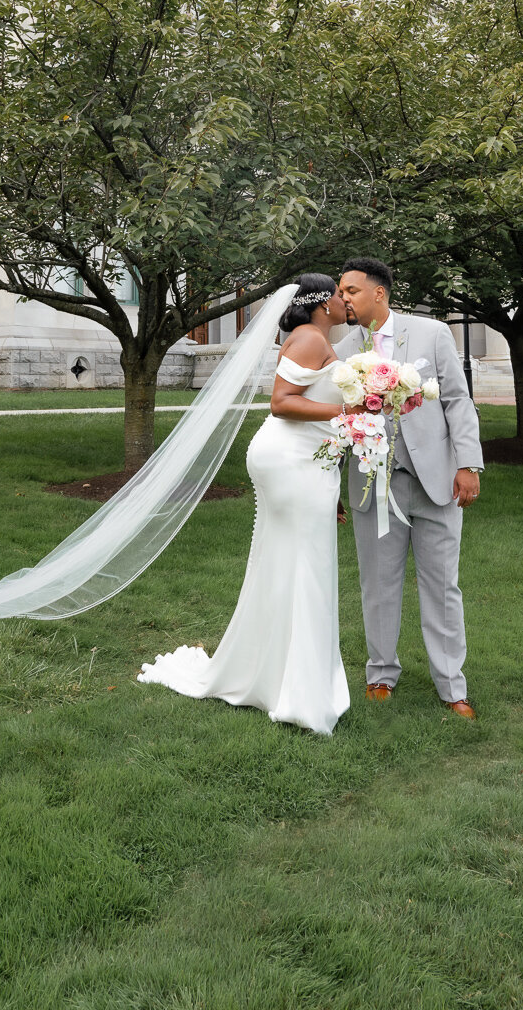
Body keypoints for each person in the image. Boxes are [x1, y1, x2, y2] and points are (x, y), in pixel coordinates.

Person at [138, 274, 352, 735]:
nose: (343, 300)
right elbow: (281, 401)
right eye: (337, 293)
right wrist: (349, 412)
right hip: (289, 460)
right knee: (306, 564)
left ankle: (279, 677)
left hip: (305, 462)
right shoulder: (310, 338)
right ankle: (298, 693)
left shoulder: (310, 336)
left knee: (292, 563)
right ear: (320, 303)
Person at [337, 258, 484, 718]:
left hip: (437, 479)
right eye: (340, 292)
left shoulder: (432, 333)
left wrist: (469, 464)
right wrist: (329, 492)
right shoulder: (341, 353)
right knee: (378, 584)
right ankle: (381, 673)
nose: (343, 299)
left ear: (378, 293)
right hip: (373, 484)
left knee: (442, 586)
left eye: (351, 291)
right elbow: (334, 425)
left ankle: (451, 685)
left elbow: (458, 400)